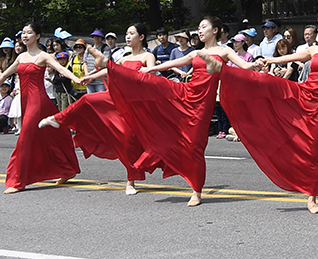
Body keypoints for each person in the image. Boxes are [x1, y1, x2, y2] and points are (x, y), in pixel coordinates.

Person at [217, 7, 318, 213]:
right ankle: (312, 196)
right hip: (306, 94)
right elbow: (289, 58)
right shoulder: (315, 49)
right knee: (268, 85)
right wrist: (270, 60)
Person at [109, 14, 258, 206]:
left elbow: (245, 65)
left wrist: (255, 64)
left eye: (204, 27)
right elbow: (174, 63)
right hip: (186, 93)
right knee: (159, 92)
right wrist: (149, 70)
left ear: (215, 30)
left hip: (203, 104)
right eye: (199, 27)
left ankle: (196, 191)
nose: (200, 30)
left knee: (194, 146)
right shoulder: (196, 53)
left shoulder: (224, 51)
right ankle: (152, 154)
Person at [40, 23, 162, 195]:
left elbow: (148, 76)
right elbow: (109, 70)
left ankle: (131, 181)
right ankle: (58, 119)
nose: (127, 36)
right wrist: (89, 77)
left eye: (131, 33)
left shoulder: (148, 56)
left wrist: (143, 72)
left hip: (133, 104)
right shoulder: (123, 58)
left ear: (141, 37)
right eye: (126, 33)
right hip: (116, 98)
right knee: (88, 99)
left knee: (128, 142)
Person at [0, 22, 82, 193]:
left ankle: (17, 180)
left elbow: (60, 68)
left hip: (38, 102)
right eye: (23, 33)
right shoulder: (21, 57)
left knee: (25, 138)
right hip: (26, 101)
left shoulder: (43, 56)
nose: (25, 36)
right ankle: (68, 169)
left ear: (37, 36)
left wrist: (76, 79)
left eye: (29, 33)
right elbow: (7, 73)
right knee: (53, 135)